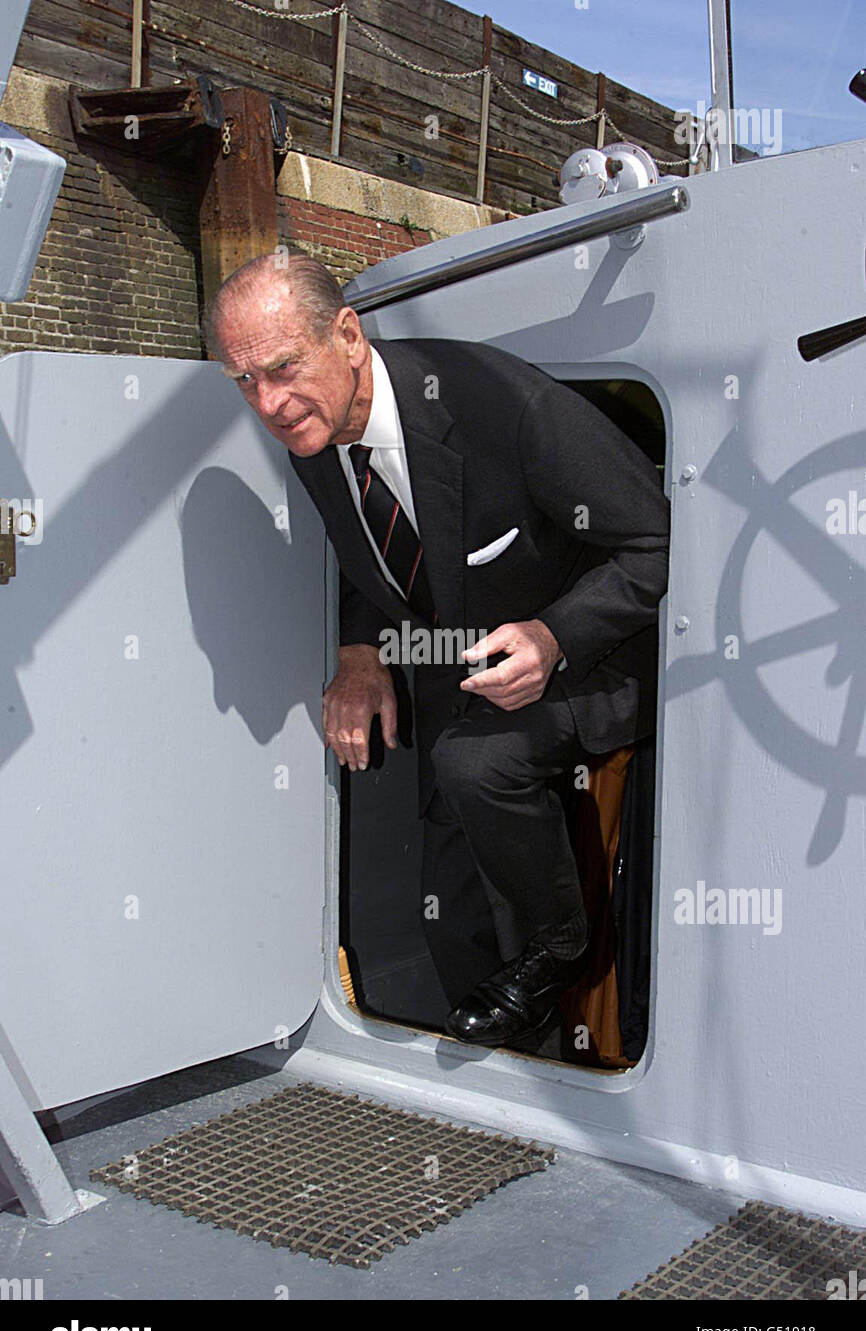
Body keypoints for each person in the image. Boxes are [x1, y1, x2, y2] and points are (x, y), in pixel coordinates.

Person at [206, 248, 670, 1049]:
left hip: (593, 658)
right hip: (462, 676)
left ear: (348, 336)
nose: (270, 404)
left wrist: (555, 637)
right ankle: (507, 1088)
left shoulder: (502, 406)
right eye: (244, 381)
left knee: (472, 766)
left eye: (282, 367)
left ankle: (564, 947)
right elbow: (373, 556)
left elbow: (657, 542)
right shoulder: (314, 436)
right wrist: (360, 655)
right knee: (449, 917)